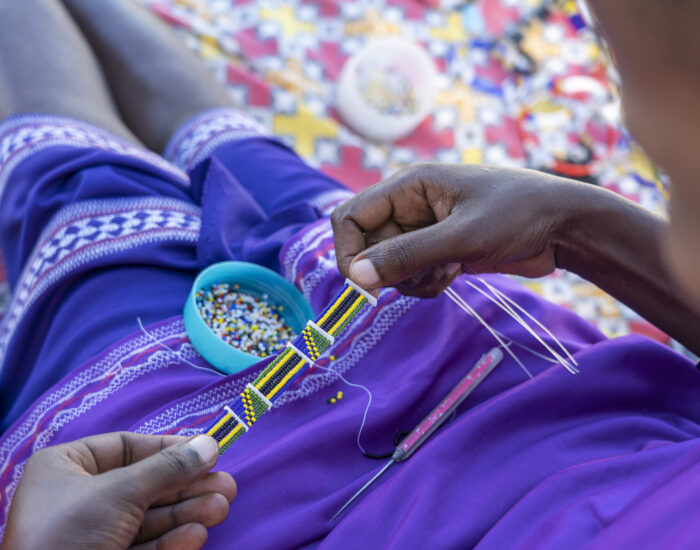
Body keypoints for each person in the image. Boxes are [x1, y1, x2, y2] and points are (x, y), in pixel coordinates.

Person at [1, 0, 700, 549]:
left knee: (73, 178)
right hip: (463, 337)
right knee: (235, 147)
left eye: (674, 184)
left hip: (199, 488)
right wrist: (572, 220)